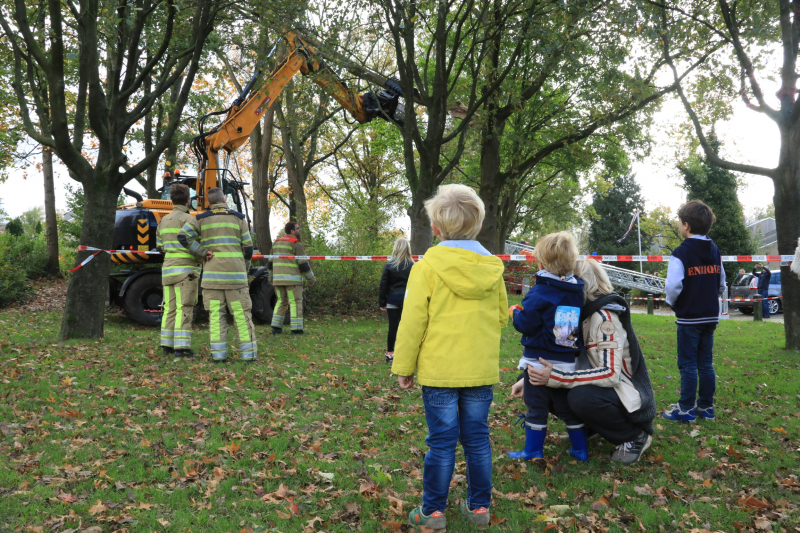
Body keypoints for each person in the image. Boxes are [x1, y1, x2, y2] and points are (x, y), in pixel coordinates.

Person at [392, 184, 507, 531]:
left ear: (436, 228)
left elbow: (412, 322)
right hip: (478, 369)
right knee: (477, 438)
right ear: (478, 224)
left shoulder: (426, 267)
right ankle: (479, 507)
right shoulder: (493, 267)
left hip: (439, 370)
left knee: (441, 441)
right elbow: (502, 316)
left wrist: (403, 366)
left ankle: (433, 512)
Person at [518, 259, 657, 464]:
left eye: (569, 278)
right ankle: (591, 428)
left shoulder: (604, 318)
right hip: (601, 388)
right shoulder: (578, 312)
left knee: (579, 397)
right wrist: (528, 376)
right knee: (536, 382)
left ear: (584, 283)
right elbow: (560, 352)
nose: (563, 282)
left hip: (624, 394)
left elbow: (609, 374)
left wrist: (556, 377)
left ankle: (633, 435)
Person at [507, 231, 589, 463]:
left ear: (540, 262)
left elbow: (527, 324)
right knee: (566, 408)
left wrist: (515, 313)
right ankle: (580, 450)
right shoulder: (575, 291)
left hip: (537, 362)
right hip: (566, 362)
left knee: (536, 407)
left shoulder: (540, 292)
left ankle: (532, 450)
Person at [663, 200, 724, 422]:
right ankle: (706, 407)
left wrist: (673, 303)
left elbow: (673, 286)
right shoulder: (715, 250)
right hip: (710, 315)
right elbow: (721, 281)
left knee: (687, 363)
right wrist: (711, 298)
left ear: (686, 225)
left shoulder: (681, 252)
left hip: (689, 317)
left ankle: (686, 408)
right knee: (705, 362)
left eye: (679, 222)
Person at [178, 187, 257, 362]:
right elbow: (248, 248)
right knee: (242, 317)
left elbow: (183, 237)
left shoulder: (200, 219)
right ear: (224, 199)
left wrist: (201, 251)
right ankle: (248, 355)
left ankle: (219, 355)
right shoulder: (238, 218)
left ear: (209, 202)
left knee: (215, 317)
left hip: (212, 279)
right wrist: (244, 269)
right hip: (236, 279)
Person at [156, 183, 202, 357]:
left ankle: (167, 345)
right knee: (186, 307)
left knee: (169, 308)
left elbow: (160, 246)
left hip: (168, 270)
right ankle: (182, 349)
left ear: (171, 199)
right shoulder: (190, 220)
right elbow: (197, 245)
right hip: (186, 271)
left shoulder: (163, 221)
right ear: (188, 200)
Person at [268, 222, 316, 335]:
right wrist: (311, 279)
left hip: (278, 280)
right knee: (296, 303)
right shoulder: (296, 243)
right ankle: (297, 329)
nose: (299, 230)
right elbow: (303, 264)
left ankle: (276, 328)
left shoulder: (276, 243)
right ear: (292, 231)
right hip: (292, 280)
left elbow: (270, 264)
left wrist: (271, 279)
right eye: (298, 228)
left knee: (281, 302)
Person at [379, 237, 414, 363]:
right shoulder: (413, 265)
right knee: (406, 327)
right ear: (408, 249)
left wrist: (382, 302)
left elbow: (383, 284)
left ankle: (390, 353)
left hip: (392, 299)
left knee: (393, 327)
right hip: (407, 300)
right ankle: (406, 353)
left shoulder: (389, 264)